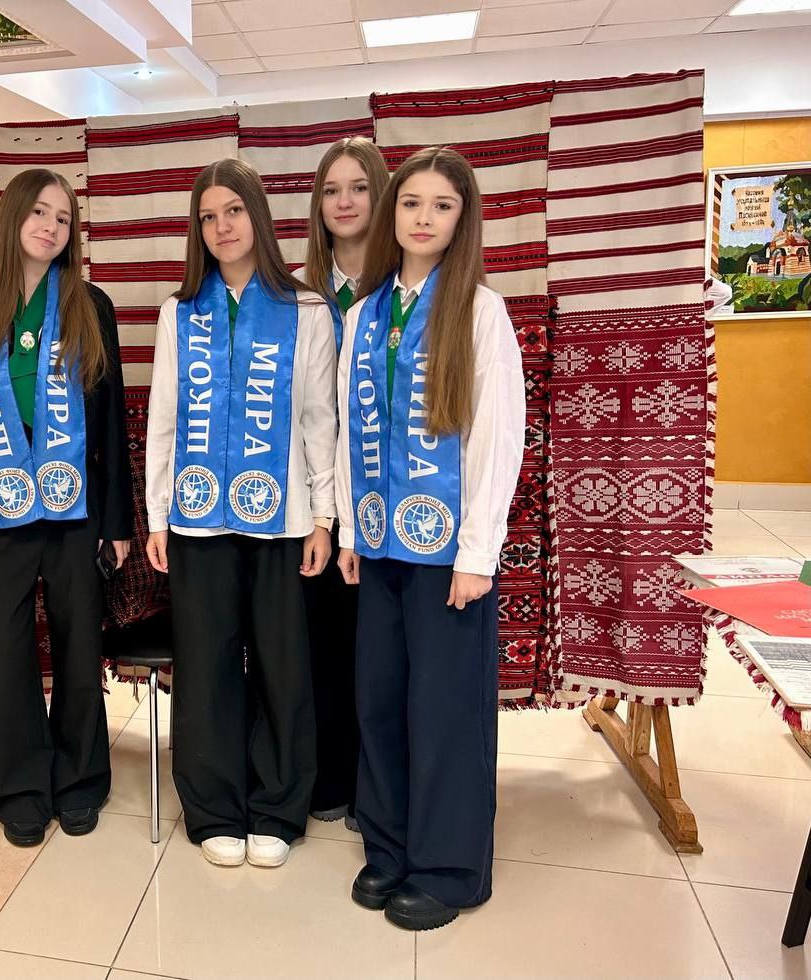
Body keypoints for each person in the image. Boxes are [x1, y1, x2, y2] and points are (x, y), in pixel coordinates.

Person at [335, 146, 525, 930]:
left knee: (444, 710)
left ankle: (449, 868)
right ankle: (388, 846)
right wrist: (349, 529)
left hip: (449, 555)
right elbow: (349, 430)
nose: (422, 218)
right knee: (380, 700)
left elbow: (497, 439)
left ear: (461, 219)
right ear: (392, 213)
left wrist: (478, 554)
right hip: (380, 546)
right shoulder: (363, 315)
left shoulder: (479, 311)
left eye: (441, 205)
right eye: (410, 202)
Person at [145, 158, 337, 870]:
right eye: (208, 216)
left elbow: (320, 420)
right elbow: (164, 418)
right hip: (197, 520)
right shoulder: (179, 312)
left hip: (284, 521)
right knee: (206, 666)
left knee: (284, 666)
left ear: (258, 216)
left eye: (233, 211)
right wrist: (157, 515)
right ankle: (214, 807)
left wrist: (324, 517)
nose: (222, 226)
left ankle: (279, 807)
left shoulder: (307, 311)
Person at [0, 168, 132, 847]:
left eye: (63, 217)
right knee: (8, 653)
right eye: (40, 213)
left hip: (77, 512)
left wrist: (118, 522)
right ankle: (21, 787)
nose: (52, 227)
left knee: (80, 648)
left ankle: (80, 780)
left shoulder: (90, 306)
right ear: (12, 218)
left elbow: (111, 419)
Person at [296, 136, 389, 831]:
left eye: (358, 187)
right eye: (332, 190)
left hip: (386, 494)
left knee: (376, 647)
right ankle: (326, 774)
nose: (346, 201)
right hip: (313, 498)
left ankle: (374, 785)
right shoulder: (298, 297)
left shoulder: (401, 290)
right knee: (320, 640)